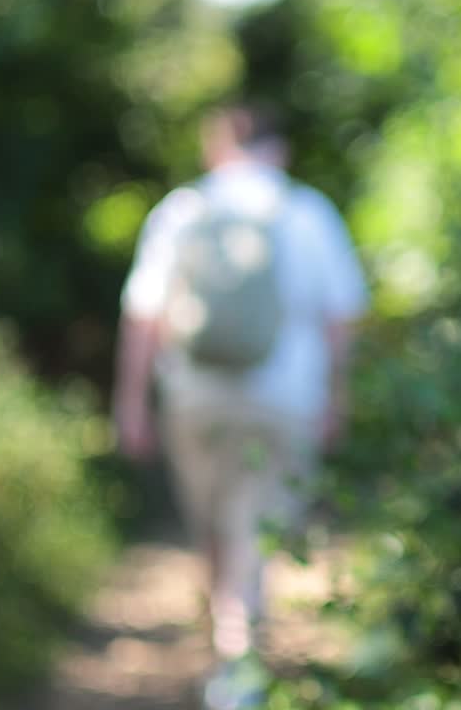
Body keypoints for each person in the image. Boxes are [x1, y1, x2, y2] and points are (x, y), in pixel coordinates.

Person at [112, 105, 368, 709]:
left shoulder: (183, 211)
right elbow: (342, 318)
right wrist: (338, 398)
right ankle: (240, 670)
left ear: (215, 149)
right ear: (278, 151)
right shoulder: (307, 212)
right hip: (286, 400)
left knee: (215, 530)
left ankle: (227, 653)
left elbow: (143, 317)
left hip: (194, 400)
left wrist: (131, 404)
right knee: (257, 529)